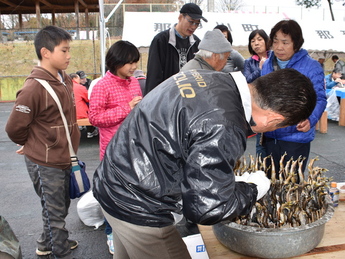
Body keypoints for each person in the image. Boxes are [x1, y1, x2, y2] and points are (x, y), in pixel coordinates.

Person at [93, 68, 317, 259]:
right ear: (274, 120)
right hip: (138, 205)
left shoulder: (209, 78)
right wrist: (251, 190)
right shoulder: (225, 126)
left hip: (112, 181)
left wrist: (221, 178)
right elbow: (209, 207)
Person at [5, 25, 80, 259]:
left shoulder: (63, 78)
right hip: (46, 160)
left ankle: (46, 243)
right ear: (46, 52)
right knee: (55, 211)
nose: (69, 56)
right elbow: (14, 127)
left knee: (58, 205)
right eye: (64, 51)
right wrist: (31, 144)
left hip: (63, 156)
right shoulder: (34, 87)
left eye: (69, 51)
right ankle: (60, 250)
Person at [88, 40, 143, 255]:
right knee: (112, 195)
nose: (133, 67)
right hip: (113, 152)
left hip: (135, 148)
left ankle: (130, 231)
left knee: (134, 193)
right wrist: (126, 108)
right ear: (116, 61)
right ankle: (111, 233)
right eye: (129, 62)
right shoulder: (102, 85)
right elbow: (95, 118)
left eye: (135, 62)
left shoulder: (134, 82)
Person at [261, 19, 327, 177]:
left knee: (291, 185)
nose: (278, 47)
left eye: (285, 42)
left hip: (295, 137)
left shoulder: (311, 66)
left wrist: (311, 119)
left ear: (296, 44)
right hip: (270, 134)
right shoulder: (267, 65)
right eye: (275, 41)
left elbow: (320, 98)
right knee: (268, 183)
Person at [144, 3, 207, 95]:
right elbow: (154, 73)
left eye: (197, 24)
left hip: (189, 96)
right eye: (191, 21)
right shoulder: (161, 40)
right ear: (180, 17)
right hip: (166, 95)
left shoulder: (197, 43)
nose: (193, 27)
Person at [243, 29, 270, 159]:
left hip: (274, 104)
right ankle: (261, 171)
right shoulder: (249, 62)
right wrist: (260, 69)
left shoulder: (275, 58)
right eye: (252, 41)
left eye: (259, 39)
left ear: (266, 41)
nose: (256, 43)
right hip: (258, 105)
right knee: (261, 143)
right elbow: (247, 80)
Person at [70, 73, 98, 138]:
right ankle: (91, 131)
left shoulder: (64, 86)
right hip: (79, 114)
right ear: (74, 78)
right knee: (90, 112)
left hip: (68, 114)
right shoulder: (80, 87)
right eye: (79, 78)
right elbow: (88, 98)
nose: (80, 80)